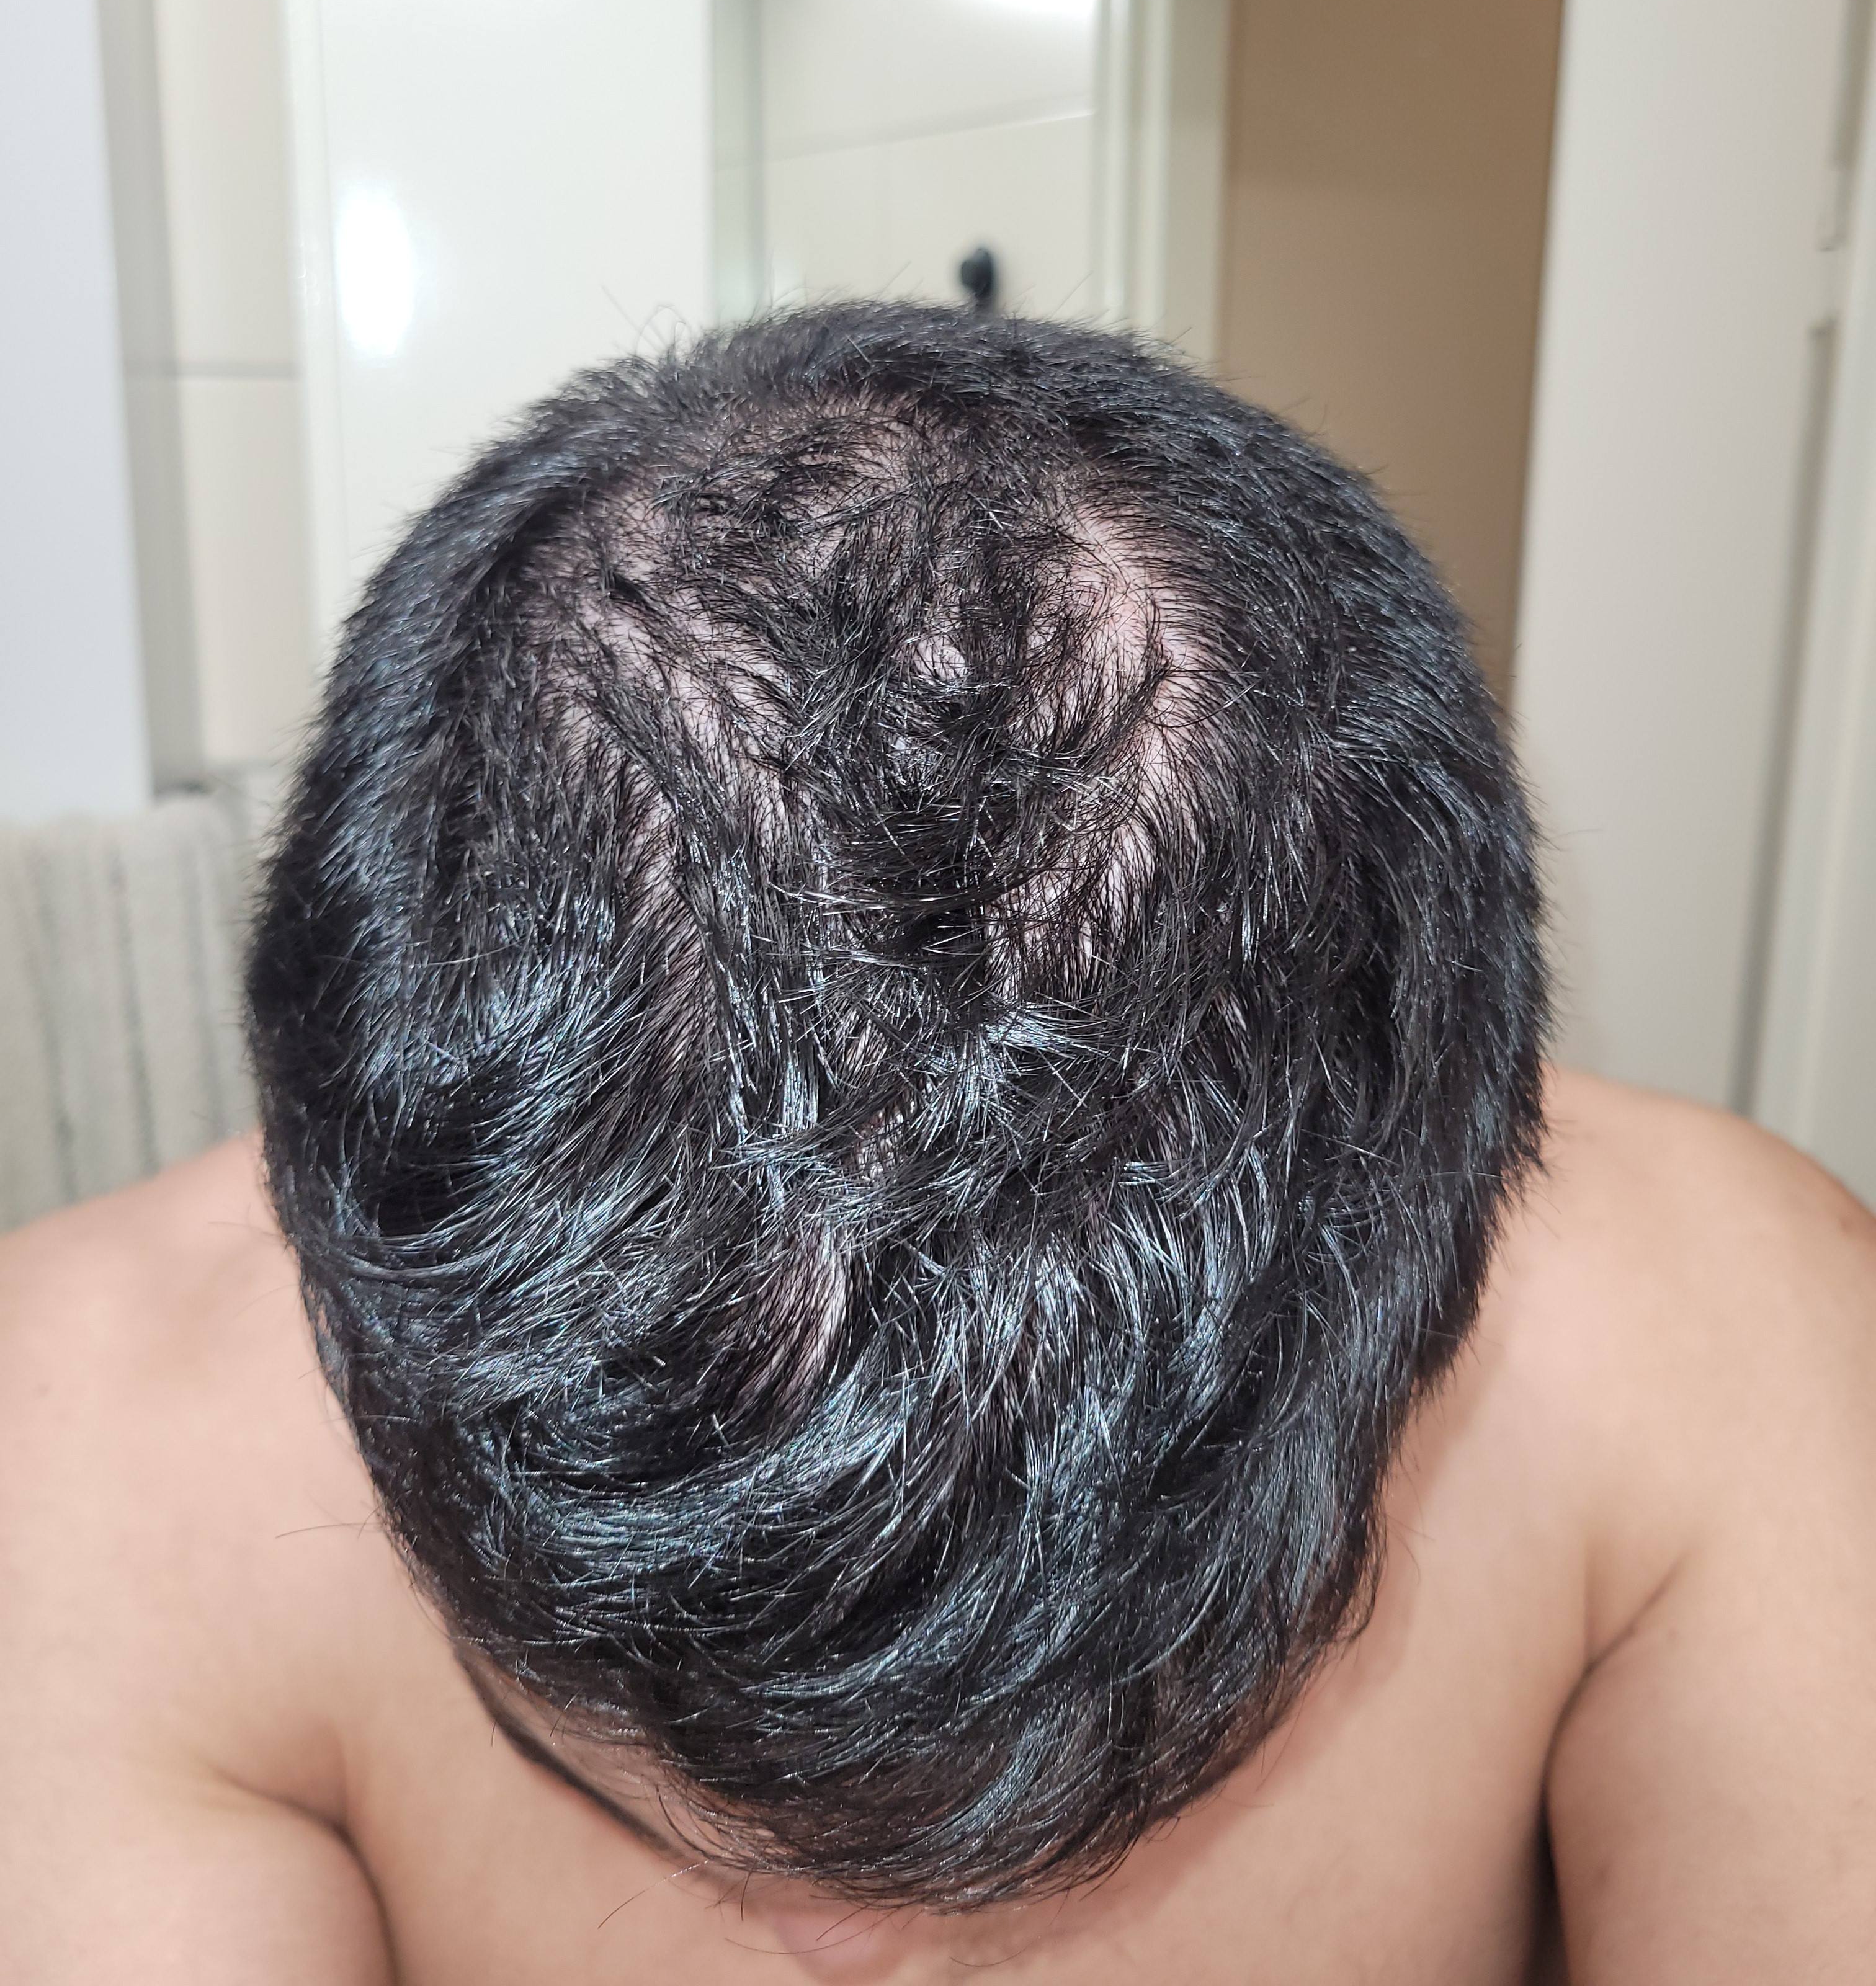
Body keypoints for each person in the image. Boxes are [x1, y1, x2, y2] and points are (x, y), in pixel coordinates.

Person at [2, 306, 1872, 1985]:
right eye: (645, 1785)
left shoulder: (1740, 1359)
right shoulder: (79, 1478)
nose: (849, 1944)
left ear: (1435, 1288)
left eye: (1100, 1777)